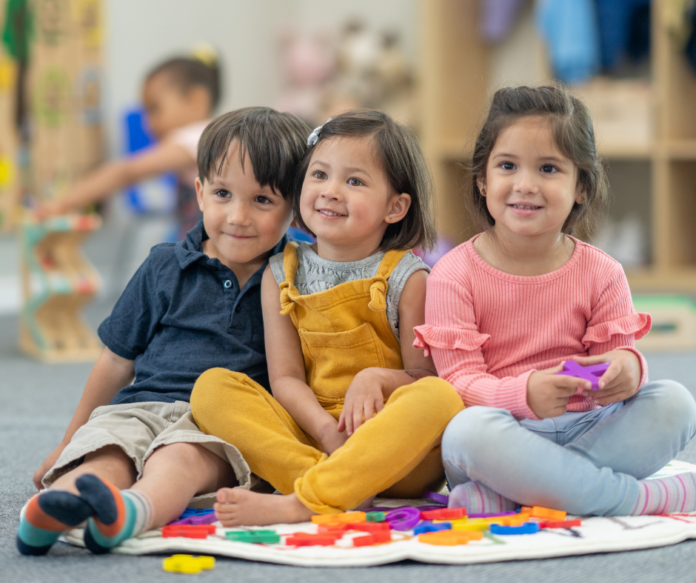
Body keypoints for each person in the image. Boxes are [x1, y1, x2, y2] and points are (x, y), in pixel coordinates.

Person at [17, 107, 311, 556]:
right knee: (107, 453)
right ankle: (59, 505)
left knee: (178, 460)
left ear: (295, 207)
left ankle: (133, 511)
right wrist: (67, 441)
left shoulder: (296, 273)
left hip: (221, 424)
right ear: (199, 192)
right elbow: (116, 359)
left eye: (263, 201)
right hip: (142, 405)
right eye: (223, 193)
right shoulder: (163, 265)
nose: (238, 216)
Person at [415, 85, 696, 517]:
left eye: (548, 168)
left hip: (589, 426)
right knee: (465, 431)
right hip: (501, 434)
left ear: (581, 187)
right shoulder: (455, 272)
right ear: (483, 180)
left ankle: (517, 497)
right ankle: (631, 499)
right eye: (507, 165)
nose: (525, 185)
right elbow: (459, 385)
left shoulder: (602, 271)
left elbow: (617, 361)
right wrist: (523, 393)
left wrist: (626, 370)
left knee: (676, 403)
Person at [190, 110, 463, 526]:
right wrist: (324, 430)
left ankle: (307, 499)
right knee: (212, 388)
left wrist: (374, 379)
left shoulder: (409, 277)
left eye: (354, 181)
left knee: (441, 399)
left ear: (396, 206)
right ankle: (334, 485)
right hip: (316, 436)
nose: (330, 191)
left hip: (393, 454)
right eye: (319, 175)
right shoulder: (280, 272)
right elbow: (285, 379)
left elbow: (423, 377)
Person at [36, 51, 221, 238]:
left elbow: (126, 172)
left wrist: (63, 203)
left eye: (154, 109)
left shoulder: (195, 138)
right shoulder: (210, 136)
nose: (148, 123)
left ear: (197, 100)